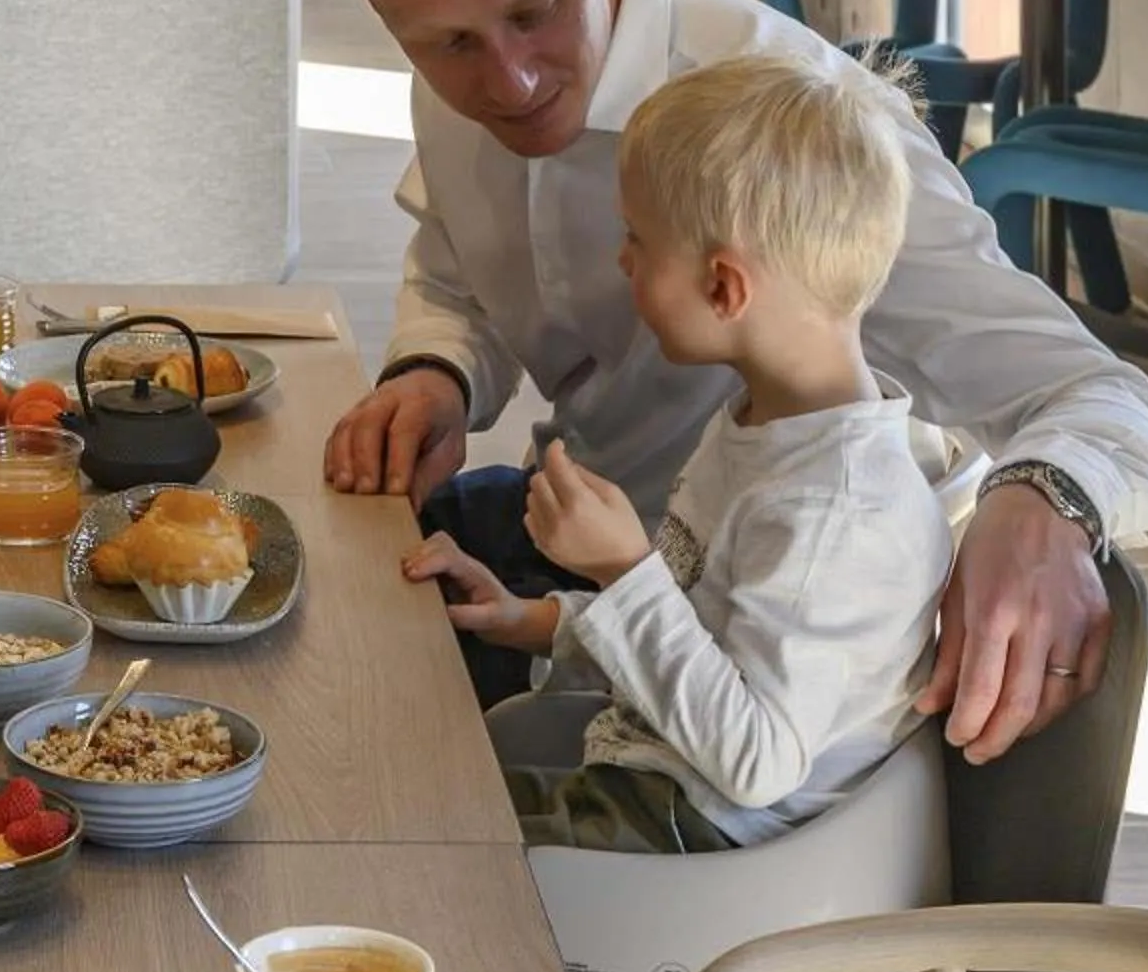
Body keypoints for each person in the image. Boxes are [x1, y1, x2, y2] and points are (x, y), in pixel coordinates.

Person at [321, 0, 1148, 761]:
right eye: (449, 44)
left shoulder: (795, 133)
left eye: (538, 10)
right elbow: (459, 271)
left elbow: (1111, 404)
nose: (509, 79)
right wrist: (435, 370)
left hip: (763, 643)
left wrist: (1044, 499)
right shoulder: (462, 53)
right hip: (589, 567)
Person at [407, 52, 952, 850]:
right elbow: (699, 632)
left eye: (638, 239)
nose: (622, 259)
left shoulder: (832, 514)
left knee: (408, 843)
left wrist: (623, 572)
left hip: (690, 837)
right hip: (646, 778)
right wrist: (535, 620)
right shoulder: (767, 423)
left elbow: (755, 762)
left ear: (725, 287)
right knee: (409, 794)